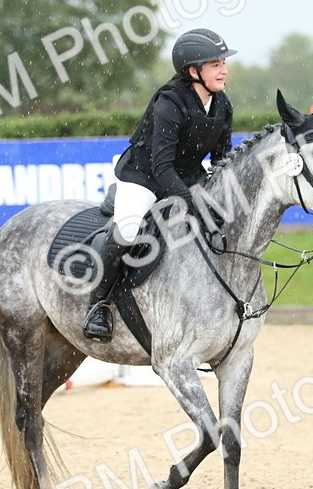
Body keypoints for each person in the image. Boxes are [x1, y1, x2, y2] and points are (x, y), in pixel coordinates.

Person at [82, 28, 238, 342]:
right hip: (144, 178)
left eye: (223, 62)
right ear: (193, 71)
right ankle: (97, 303)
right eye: (214, 64)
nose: (223, 69)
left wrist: (217, 194)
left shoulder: (222, 105)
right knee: (127, 231)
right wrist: (189, 202)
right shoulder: (170, 101)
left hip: (186, 176)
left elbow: (222, 158)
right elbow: (161, 165)